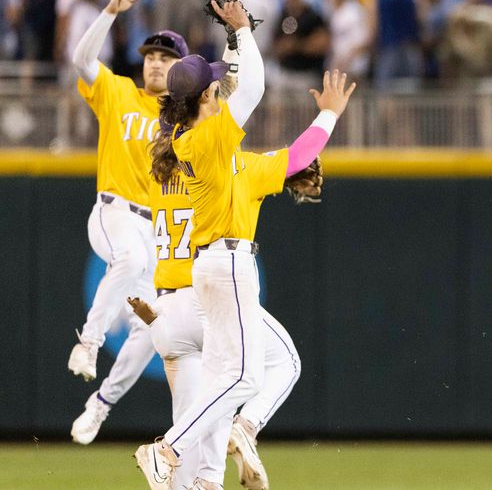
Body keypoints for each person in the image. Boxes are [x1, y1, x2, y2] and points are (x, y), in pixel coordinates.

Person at [135, 41, 354, 489]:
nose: (220, 93)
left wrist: (323, 120)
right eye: (214, 89)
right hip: (225, 266)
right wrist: (241, 33)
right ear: (205, 100)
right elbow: (252, 90)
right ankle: (169, 448)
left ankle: (212, 460)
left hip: (197, 280)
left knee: (225, 385)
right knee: (245, 376)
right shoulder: (208, 141)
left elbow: (292, 157)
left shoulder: (209, 151)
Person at [66, 0, 188, 445]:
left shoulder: (188, 119)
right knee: (131, 262)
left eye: (166, 57)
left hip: (155, 231)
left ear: (181, 69)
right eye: (151, 55)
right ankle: (89, 342)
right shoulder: (118, 92)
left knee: (152, 329)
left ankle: (100, 405)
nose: (155, 62)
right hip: (113, 212)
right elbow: (80, 60)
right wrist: (110, 12)